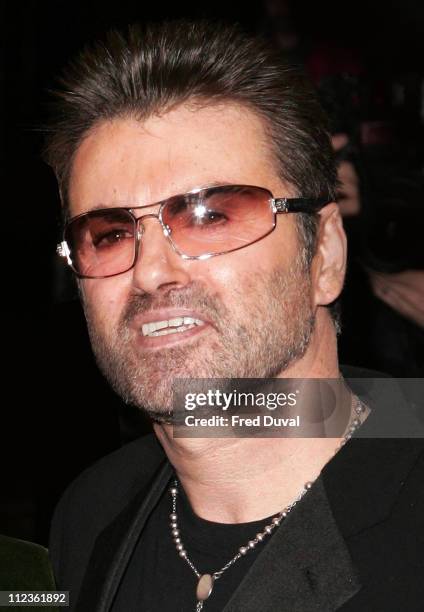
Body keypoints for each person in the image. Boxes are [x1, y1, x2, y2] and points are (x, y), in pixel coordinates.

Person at [44, 20, 424, 611]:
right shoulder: (90, 515)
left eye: (211, 216)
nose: (150, 272)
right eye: (112, 233)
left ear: (323, 254)